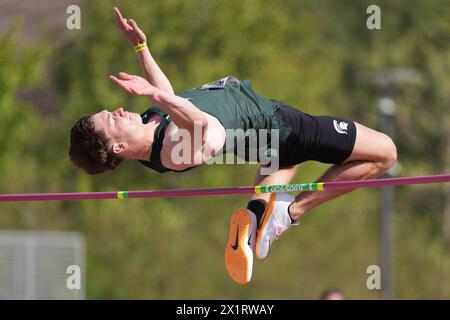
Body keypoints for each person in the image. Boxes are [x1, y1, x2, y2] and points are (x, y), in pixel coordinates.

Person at [69, 7, 397, 285]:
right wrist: (156, 96)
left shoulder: (147, 130)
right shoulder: (174, 149)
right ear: (118, 147)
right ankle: (291, 212)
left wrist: (142, 50)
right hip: (283, 128)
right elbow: (202, 127)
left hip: (264, 142)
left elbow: (172, 96)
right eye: (111, 120)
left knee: (286, 164)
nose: (118, 111)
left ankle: (255, 219)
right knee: (385, 153)